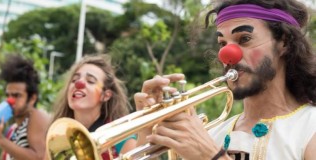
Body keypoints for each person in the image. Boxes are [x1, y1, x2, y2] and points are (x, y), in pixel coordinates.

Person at [134, 0, 316, 159]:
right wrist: (146, 135)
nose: (227, 55)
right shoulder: (212, 135)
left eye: (244, 39)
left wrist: (211, 156)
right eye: (222, 44)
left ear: (283, 42)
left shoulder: (310, 127)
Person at [48, 54, 136, 159]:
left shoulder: (122, 137)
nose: (79, 84)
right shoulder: (57, 135)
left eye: (90, 81)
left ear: (105, 95)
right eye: (74, 80)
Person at [0, 54, 51, 160]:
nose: (10, 100)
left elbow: (39, 157)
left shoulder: (36, 116)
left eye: (16, 95)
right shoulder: (12, 129)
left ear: (32, 98)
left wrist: (0, 140)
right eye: (8, 95)